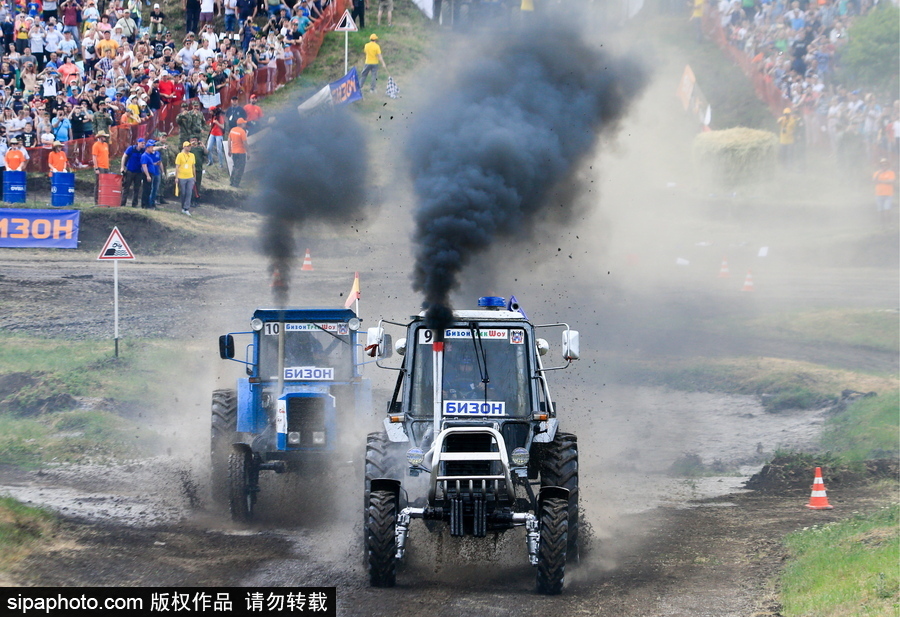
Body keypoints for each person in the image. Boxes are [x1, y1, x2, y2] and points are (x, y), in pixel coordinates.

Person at [120, 137, 145, 207]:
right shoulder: (131, 149)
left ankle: (134, 204)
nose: (143, 145)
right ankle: (123, 203)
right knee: (126, 187)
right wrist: (122, 167)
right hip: (130, 171)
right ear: (138, 143)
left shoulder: (143, 150)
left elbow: (152, 149)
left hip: (139, 172)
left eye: (144, 143)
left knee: (137, 188)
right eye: (142, 143)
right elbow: (124, 157)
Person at [873, 158, 896, 227]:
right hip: (879, 194)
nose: (884, 166)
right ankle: (882, 225)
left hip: (888, 194)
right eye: (882, 165)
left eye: (885, 165)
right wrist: (879, 174)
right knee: (880, 211)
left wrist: (880, 181)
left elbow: (891, 181)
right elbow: (874, 181)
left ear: (888, 165)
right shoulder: (876, 173)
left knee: (887, 210)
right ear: (880, 166)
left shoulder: (891, 173)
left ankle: (889, 224)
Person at [175, 140, 196, 215]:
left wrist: (194, 176)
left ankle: (186, 208)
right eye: (187, 146)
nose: (189, 147)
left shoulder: (192, 155)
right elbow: (177, 167)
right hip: (182, 177)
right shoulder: (180, 155)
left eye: (190, 146)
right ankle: (183, 207)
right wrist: (176, 177)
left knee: (189, 193)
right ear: (184, 147)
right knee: (183, 193)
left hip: (190, 176)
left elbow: (193, 166)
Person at [140, 139, 162, 208]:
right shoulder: (144, 155)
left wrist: (156, 164)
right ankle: (145, 204)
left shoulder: (149, 155)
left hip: (151, 173)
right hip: (147, 174)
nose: (152, 148)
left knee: (149, 189)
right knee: (146, 190)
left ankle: (148, 204)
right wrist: (147, 175)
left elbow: (150, 164)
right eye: (151, 147)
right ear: (147, 148)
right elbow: (144, 165)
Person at [228, 117, 248, 187]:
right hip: (241, 152)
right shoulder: (242, 132)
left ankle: (232, 181)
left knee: (235, 166)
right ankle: (236, 184)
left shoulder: (232, 130)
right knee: (240, 168)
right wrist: (248, 152)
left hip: (234, 151)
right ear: (241, 124)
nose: (245, 124)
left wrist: (229, 150)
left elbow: (229, 140)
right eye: (244, 123)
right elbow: (245, 143)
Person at [92, 130, 110, 203]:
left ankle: (103, 199)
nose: (105, 138)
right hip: (100, 166)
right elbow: (94, 157)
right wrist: (96, 168)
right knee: (98, 184)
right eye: (104, 136)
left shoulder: (105, 145)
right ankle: (96, 200)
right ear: (100, 137)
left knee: (105, 184)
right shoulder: (96, 145)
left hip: (106, 166)